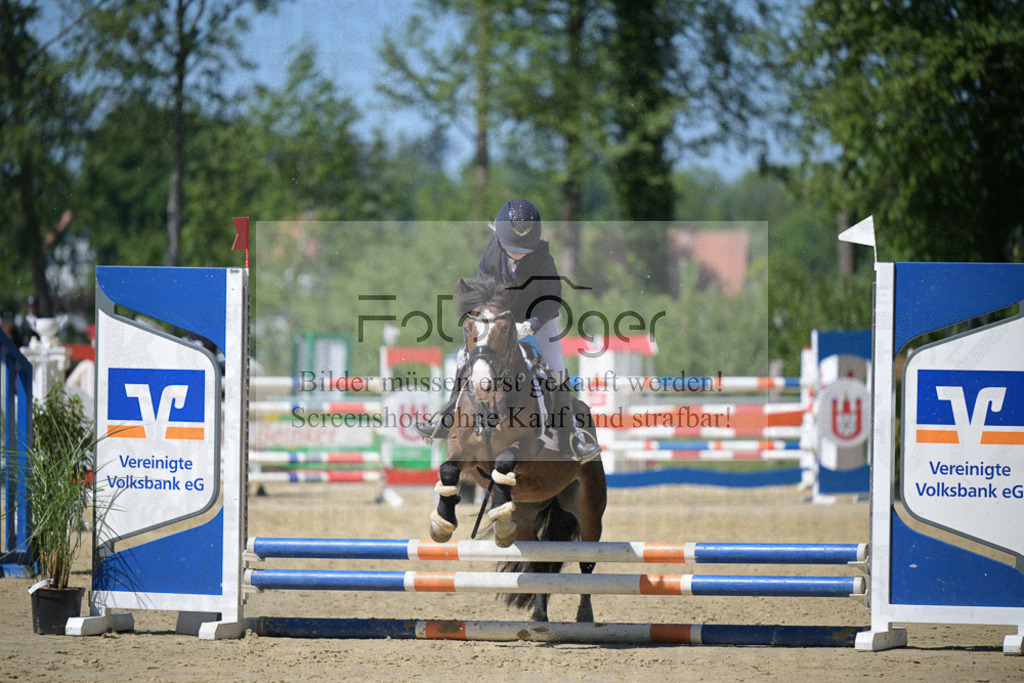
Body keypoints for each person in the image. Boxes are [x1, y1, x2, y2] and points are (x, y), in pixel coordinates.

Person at [416, 198, 600, 462]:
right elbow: (483, 290)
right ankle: (447, 418)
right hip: (499, 319)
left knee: (556, 369)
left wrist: (532, 325)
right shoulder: (492, 251)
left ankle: (570, 436)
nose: (518, 254)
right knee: (463, 358)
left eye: (524, 249)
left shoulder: (542, 258)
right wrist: (486, 319)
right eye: (513, 249)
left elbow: (552, 301)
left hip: (538, 319)